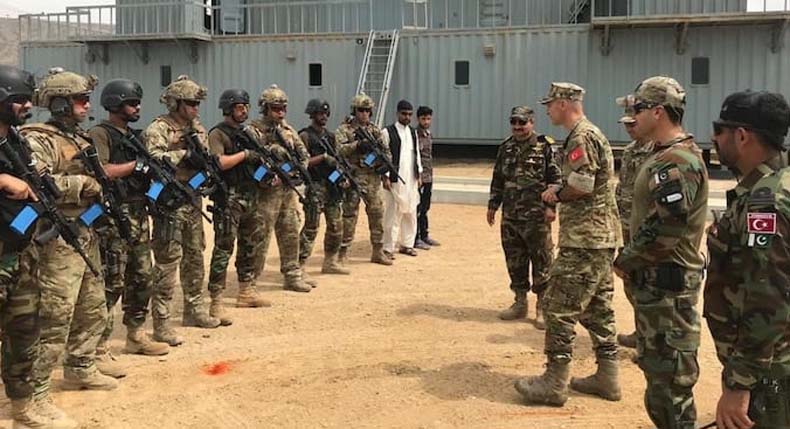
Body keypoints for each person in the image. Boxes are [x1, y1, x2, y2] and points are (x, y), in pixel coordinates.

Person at [515, 82, 621, 406]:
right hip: (599, 239)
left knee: (557, 307)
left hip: (585, 240)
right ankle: (608, 376)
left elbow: (583, 184)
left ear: (564, 103)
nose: (547, 110)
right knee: (599, 308)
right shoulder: (587, 134)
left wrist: (555, 194)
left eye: (550, 104)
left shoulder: (581, 136)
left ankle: (554, 382)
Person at [613, 76, 708, 429]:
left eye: (638, 108)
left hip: (668, 292)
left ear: (658, 112)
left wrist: (627, 259)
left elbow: (668, 230)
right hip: (659, 287)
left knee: (670, 389)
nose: (633, 115)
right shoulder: (664, 155)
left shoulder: (675, 161)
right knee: (660, 384)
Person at [21, 68, 119, 408]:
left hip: (84, 231)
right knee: (55, 314)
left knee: (92, 306)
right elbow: (37, 184)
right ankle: (34, 390)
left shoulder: (78, 138)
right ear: (60, 102)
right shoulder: (38, 138)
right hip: (56, 237)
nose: (87, 105)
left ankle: (81, 366)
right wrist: (85, 185)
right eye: (80, 99)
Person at [704, 90, 790, 429]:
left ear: (741, 136)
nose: (714, 138)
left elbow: (768, 296)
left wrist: (739, 383)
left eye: (719, 130)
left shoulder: (764, 202)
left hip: (771, 370)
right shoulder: (776, 185)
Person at [0, 65, 79, 428]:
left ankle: (23, 408)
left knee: (24, 331)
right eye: (19, 100)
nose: (27, 106)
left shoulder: (15, 141)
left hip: (20, 252)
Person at [89, 79, 170, 374]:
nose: (137, 108)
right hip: (114, 216)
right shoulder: (100, 133)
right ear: (115, 104)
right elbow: (102, 170)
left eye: (137, 103)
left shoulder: (135, 137)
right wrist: (135, 166)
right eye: (131, 103)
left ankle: (135, 335)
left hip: (137, 213)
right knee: (112, 282)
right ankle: (98, 348)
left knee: (142, 277)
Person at [143, 75, 221, 347]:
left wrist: (204, 170)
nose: (195, 108)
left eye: (197, 104)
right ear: (175, 103)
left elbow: (205, 160)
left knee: (195, 255)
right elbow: (153, 160)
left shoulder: (197, 129)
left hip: (192, 198)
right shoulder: (159, 128)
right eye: (190, 103)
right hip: (170, 202)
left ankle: (194, 309)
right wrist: (183, 155)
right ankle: (161, 323)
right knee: (168, 261)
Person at [487, 106, 559, 327]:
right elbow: (498, 178)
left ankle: (542, 307)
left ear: (532, 122)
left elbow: (555, 180)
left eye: (522, 122)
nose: (517, 127)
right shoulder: (506, 147)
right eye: (514, 122)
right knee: (515, 260)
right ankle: (520, 302)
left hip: (536, 217)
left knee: (542, 261)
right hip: (511, 216)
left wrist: (550, 207)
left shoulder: (545, 146)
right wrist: (493, 205)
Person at [206, 88, 271, 327]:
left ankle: (246, 290)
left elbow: (258, 162)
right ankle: (216, 300)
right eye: (239, 107)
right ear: (228, 109)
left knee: (250, 244)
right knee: (224, 248)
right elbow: (220, 162)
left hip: (250, 195)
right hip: (229, 199)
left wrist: (266, 175)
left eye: (246, 107)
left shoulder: (247, 133)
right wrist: (244, 154)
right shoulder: (218, 134)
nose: (244, 111)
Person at [247, 85, 313, 293]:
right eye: (276, 108)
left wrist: (293, 170)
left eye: (283, 108)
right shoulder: (253, 130)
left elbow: (304, 156)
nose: (281, 113)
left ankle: (292, 275)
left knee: (290, 232)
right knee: (260, 236)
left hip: (286, 191)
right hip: (265, 193)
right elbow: (250, 162)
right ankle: (250, 281)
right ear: (265, 108)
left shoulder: (288, 130)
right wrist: (268, 167)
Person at [613, 95, 655, 350]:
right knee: (630, 281)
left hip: (646, 228)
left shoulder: (658, 151)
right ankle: (642, 331)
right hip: (626, 226)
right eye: (626, 125)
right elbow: (623, 186)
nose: (629, 129)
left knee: (649, 283)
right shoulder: (629, 151)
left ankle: (650, 339)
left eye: (633, 123)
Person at [335, 94, 393, 266]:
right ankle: (343, 252)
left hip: (372, 178)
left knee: (377, 213)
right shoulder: (344, 130)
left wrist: (384, 166)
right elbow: (338, 150)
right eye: (361, 110)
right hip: (353, 177)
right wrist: (357, 145)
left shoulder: (375, 131)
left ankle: (378, 251)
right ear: (354, 111)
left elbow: (386, 152)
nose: (365, 114)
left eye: (368, 110)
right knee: (349, 215)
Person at [298, 99, 350, 275]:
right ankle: (300, 264)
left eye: (326, 114)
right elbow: (302, 163)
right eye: (320, 113)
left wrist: (340, 178)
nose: (324, 117)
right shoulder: (305, 136)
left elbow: (335, 163)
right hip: (315, 186)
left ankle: (330, 261)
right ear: (312, 114)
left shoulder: (330, 136)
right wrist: (321, 158)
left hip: (331, 186)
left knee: (336, 226)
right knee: (311, 227)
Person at [381, 100, 422, 258]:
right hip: (394, 179)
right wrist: (385, 176)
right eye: (404, 114)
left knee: (411, 211)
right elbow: (383, 156)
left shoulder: (412, 132)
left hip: (411, 179)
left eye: (410, 114)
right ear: (397, 113)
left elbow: (416, 153)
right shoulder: (387, 132)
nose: (407, 117)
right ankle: (388, 247)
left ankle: (407, 244)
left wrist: (419, 173)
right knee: (393, 213)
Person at [414, 105, 440, 249]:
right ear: (418, 119)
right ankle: (416, 237)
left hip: (428, 176)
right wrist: (417, 176)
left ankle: (425, 234)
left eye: (428, 119)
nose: (426, 121)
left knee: (425, 207)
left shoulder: (428, 134)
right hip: (419, 177)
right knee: (417, 208)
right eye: (423, 119)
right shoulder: (414, 135)